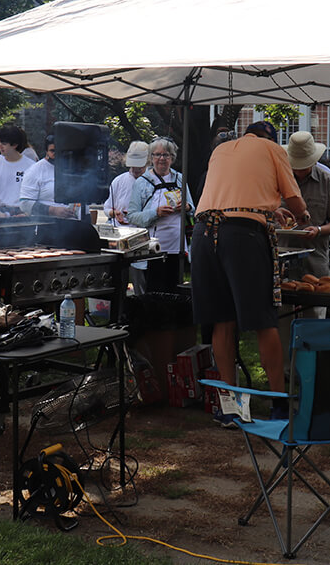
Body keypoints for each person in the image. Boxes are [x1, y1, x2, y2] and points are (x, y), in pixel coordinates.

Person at [191, 120, 308, 420]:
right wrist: (302, 214)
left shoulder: (220, 151)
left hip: (204, 233)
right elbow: (294, 200)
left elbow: (233, 194)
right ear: (270, 138)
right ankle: (279, 404)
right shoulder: (271, 149)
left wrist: (269, 208)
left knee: (222, 320)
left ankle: (231, 406)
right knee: (263, 320)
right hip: (241, 236)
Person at [282, 131, 330, 324]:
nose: (299, 171)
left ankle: (312, 353)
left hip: (315, 257)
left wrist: (318, 230)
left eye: (304, 166)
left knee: (315, 314)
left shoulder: (327, 180)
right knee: (282, 314)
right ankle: (285, 354)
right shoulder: (279, 178)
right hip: (283, 258)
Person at [127, 137, 194, 293]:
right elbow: (132, 216)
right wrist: (155, 213)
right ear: (151, 158)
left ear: (172, 158)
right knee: (154, 292)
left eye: (166, 155)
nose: (161, 159)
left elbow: (193, 209)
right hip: (152, 249)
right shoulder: (142, 183)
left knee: (174, 291)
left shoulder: (179, 179)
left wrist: (186, 207)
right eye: (157, 155)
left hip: (176, 248)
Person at [103, 140, 149, 294]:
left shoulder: (151, 180)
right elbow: (107, 206)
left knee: (141, 281)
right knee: (119, 279)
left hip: (143, 236)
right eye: (133, 165)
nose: (136, 169)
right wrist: (114, 212)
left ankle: (141, 308)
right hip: (121, 236)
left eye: (140, 165)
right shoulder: (119, 181)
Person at [19, 134, 78, 218]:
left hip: (73, 224)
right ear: (46, 151)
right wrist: (53, 210)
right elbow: (25, 204)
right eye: (52, 151)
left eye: (60, 150)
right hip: (47, 225)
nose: (57, 154)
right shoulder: (34, 171)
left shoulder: (74, 168)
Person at [0, 125, 35, 217]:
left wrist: (27, 213)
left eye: (4, 143)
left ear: (15, 145)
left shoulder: (31, 166)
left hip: (22, 214)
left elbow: (36, 195)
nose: (0, 146)